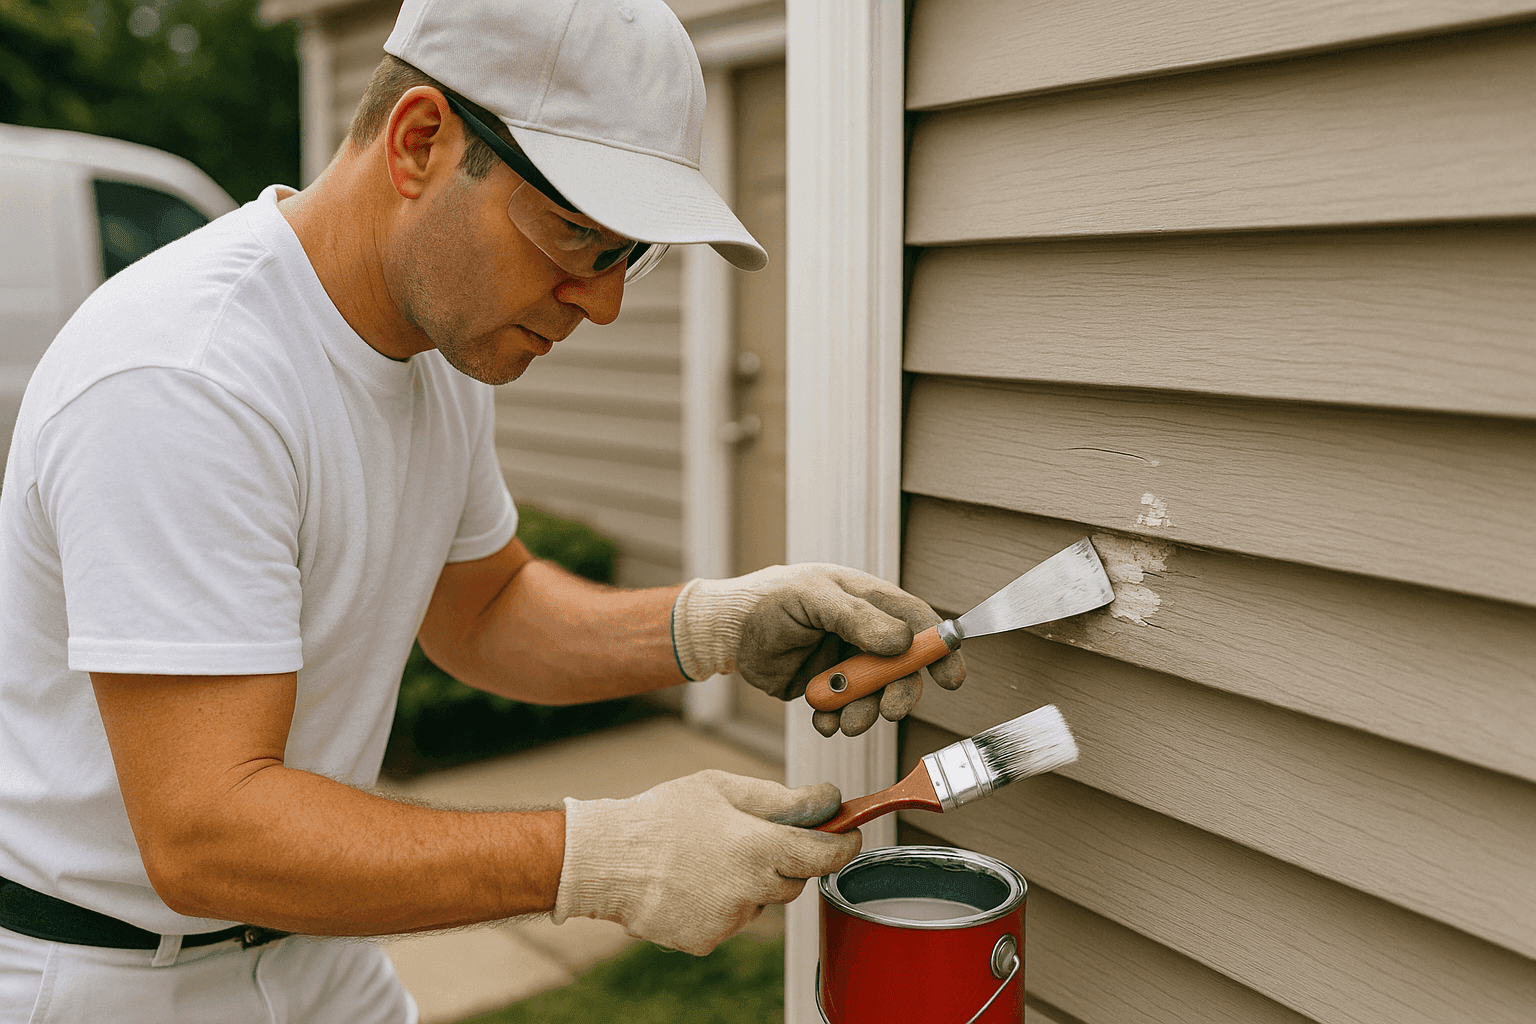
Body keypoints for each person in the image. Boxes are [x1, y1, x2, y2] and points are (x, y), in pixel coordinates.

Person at [0, 0, 964, 1020]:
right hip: (107, 977)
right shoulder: (188, 378)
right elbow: (208, 832)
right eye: (579, 238)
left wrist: (713, 625)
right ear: (421, 142)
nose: (602, 303)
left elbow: (486, 610)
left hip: (318, 955)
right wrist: (599, 856)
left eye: (630, 257)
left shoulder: (436, 353)